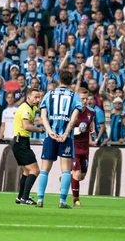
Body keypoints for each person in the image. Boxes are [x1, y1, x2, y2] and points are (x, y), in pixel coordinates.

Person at [36, 70, 83, 209]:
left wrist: (50, 132)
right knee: (66, 170)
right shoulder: (74, 96)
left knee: (45, 169)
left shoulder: (49, 94)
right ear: (71, 81)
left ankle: (40, 199)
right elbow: (74, 117)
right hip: (65, 137)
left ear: (59, 80)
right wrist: (66, 133)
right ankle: (62, 201)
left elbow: (43, 115)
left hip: (51, 136)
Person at [11, 88, 44, 204]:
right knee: (35, 170)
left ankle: (20, 197)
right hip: (21, 142)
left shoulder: (32, 108)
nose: (38, 99)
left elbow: (38, 118)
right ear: (28, 97)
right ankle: (25, 198)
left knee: (26, 172)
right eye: (35, 97)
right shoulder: (25, 109)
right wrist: (41, 130)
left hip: (20, 142)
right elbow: (26, 126)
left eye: (39, 97)